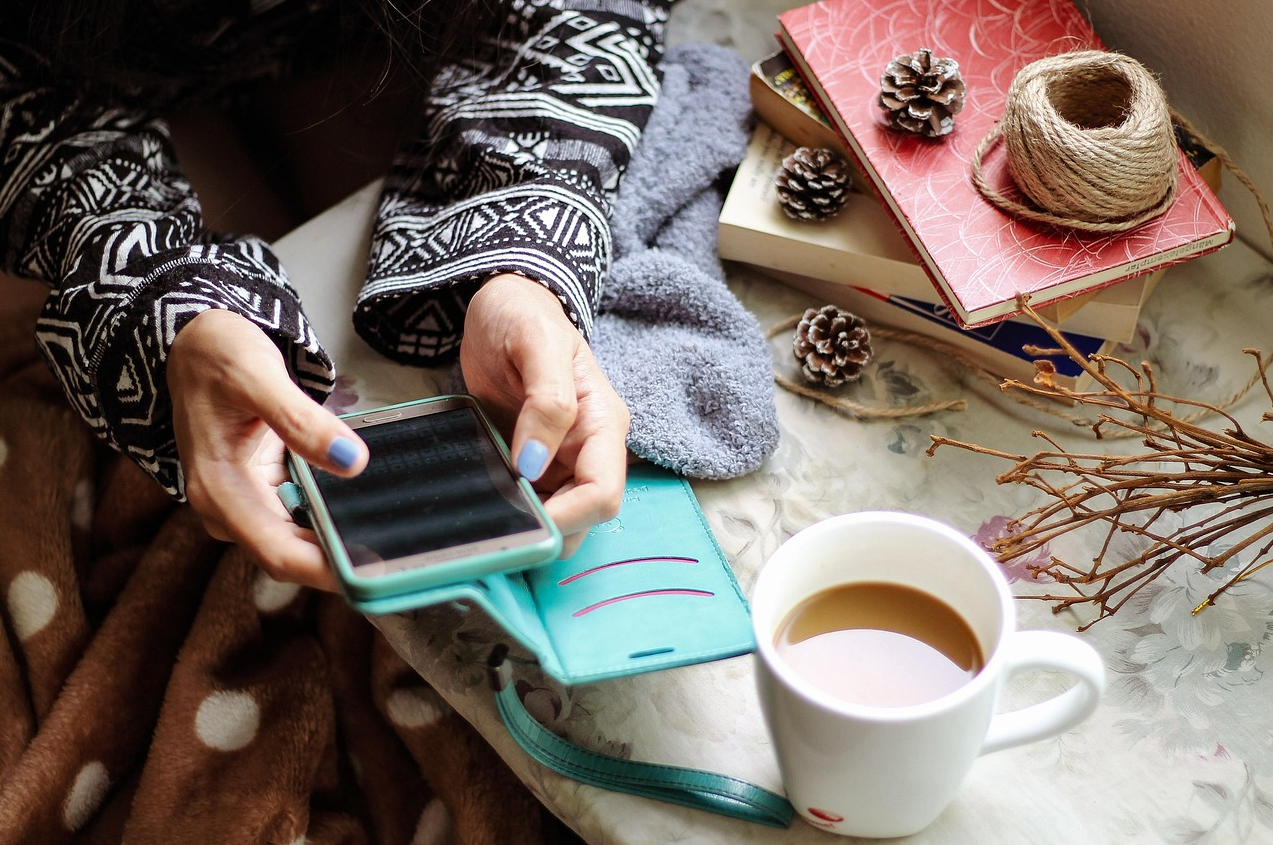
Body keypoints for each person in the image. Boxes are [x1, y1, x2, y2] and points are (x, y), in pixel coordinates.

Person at [1, 0, 672, 591]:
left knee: (338, 329)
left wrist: (520, 259)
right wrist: (167, 311)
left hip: (381, 28)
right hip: (72, 56)